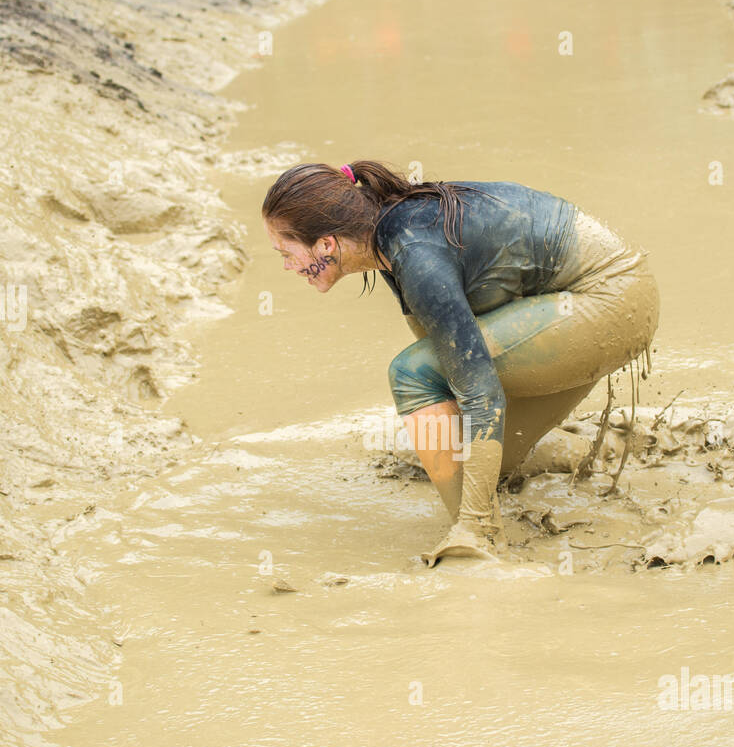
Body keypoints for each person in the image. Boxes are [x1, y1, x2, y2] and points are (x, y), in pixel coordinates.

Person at [262, 161, 660, 565]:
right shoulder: (387, 234)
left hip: (610, 301)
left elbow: (475, 390)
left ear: (326, 244)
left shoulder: (414, 251)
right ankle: (582, 453)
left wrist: (472, 517)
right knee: (482, 463)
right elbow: (448, 354)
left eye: (286, 253)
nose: (287, 267)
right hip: (586, 302)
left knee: (411, 374)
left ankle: (477, 537)